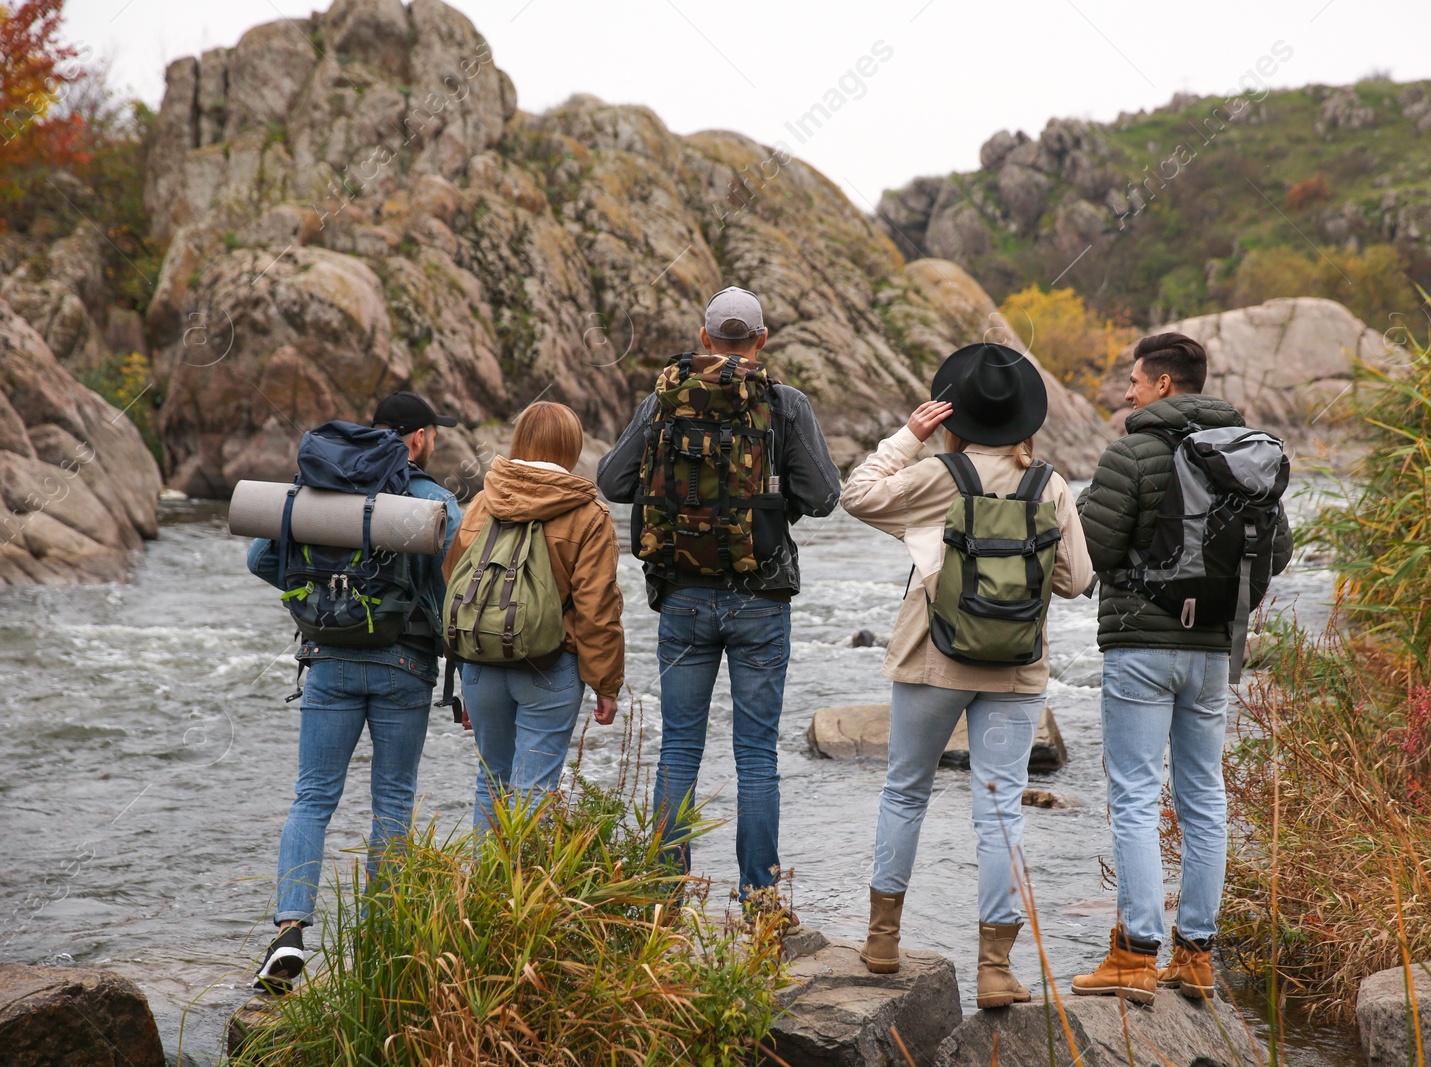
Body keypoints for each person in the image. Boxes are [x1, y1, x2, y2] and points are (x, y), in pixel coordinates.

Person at [840, 343, 1093, 1010]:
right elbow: (1078, 581)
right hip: (1015, 669)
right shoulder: (1052, 484)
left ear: (956, 414)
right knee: (1000, 811)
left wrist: (909, 435)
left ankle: (882, 943)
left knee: (904, 792)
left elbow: (856, 494)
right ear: (1024, 420)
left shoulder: (936, 474)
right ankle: (993, 968)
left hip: (931, 657)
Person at [596, 286, 839, 906]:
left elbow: (612, 481)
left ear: (705, 339)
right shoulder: (784, 404)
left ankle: (664, 890)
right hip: (761, 599)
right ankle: (757, 894)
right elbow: (825, 497)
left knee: (679, 746)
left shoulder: (665, 398)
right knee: (756, 754)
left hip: (682, 597)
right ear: (761, 340)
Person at [1071, 333, 1292, 1004]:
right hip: (1212, 654)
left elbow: (1091, 549)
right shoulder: (1245, 454)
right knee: (1204, 799)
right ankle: (1195, 956)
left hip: (1142, 647)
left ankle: (1136, 955)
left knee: (1136, 797)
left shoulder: (1132, 452)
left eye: (1135, 379)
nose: (1127, 391)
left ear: (1165, 384)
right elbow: (1276, 553)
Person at [245, 391, 462, 993]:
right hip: (406, 666)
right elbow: (459, 576)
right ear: (417, 438)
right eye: (432, 431)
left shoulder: (319, 491)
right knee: (392, 804)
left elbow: (261, 558)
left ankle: (289, 934)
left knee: (312, 798)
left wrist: (324, 598)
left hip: (328, 660)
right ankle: (379, 950)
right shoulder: (432, 499)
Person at [441, 401, 625, 829]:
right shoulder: (588, 513)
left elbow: (454, 581)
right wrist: (606, 683)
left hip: (481, 663)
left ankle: (482, 894)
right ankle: (524, 893)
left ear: (519, 439)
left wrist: (464, 669)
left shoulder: (484, 502)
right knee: (534, 792)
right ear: (572, 447)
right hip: (549, 665)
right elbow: (597, 608)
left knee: (491, 783)